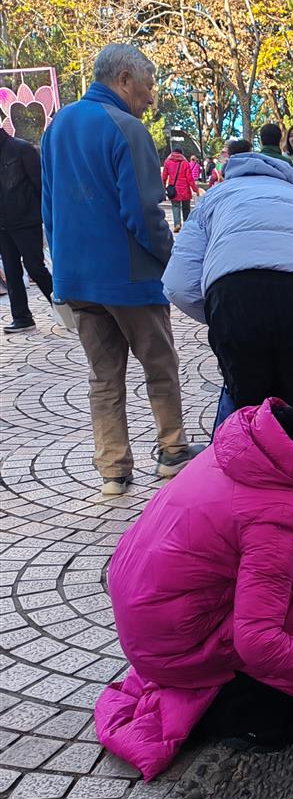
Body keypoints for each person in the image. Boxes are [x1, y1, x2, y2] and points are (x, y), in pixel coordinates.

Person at [95, 375, 293, 777]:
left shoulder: (245, 438)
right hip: (178, 646)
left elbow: (255, 493)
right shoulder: (281, 515)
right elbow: (258, 641)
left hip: (148, 618)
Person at [41, 43, 202, 498]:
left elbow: (49, 208)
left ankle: (113, 469)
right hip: (130, 276)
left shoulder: (57, 127)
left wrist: (62, 269)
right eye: (149, 87)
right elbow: (145, 212)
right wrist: (171, 260)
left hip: (78, 278)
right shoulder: (126, 129)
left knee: (103, 376)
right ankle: (172, 450)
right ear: (125, 79)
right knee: (160, 366)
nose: (151, 98)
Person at [163, 147, 293, 409]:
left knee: (249, 417)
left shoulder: (215, 197)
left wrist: (218, 315)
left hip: (235, 299)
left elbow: (178, 286)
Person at [0, 126, 54, 334]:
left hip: (25, 221)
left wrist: (46, 217)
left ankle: (64, 308)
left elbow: (41, 185)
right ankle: (21, 317)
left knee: (35, 267)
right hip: (3, 225)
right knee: (12, 271)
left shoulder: (22, 149)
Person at [161, 144, 196, 232]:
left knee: (175, 207)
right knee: (186, 207)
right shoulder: (185, 162)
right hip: (185, 189)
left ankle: (177, 224)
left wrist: (163, 187)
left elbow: (164, 176)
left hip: (174, 190)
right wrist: (195, 189)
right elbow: (189, 178)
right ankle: (187, 225)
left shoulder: (167, 162)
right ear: (181, 152)